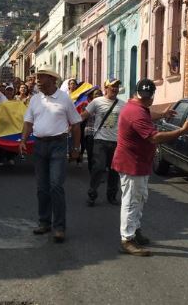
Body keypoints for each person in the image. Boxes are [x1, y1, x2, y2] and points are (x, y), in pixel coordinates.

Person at [113, 79, 188, 256]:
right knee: (131, 201)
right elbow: (154, 137)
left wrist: (163, 114)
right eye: (144, 97)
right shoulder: (135, 112)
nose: (147, 100)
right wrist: (181, 132)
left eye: (149, 97)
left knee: (139, 198)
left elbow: (148, 115)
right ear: (137, 94)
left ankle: (135, 230)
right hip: (131, 163)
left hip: (138, 162)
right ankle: (127, 239)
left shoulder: (137, 107)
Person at [19, 66, 82, 243]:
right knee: (41, 187)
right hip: (39, 145)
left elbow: (76, 124)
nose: (37, 80)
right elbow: (28, 122)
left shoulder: (64, 99)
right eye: (37, 77)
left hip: (58, 145)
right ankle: (44, 222)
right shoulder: (35, 99)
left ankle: (59, 227)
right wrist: (23, 140)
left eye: (42, 77)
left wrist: (76, 149)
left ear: (52, 80)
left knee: (56, 186)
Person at [81, 78, 125, 207]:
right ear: (106, 88)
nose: (115, 89)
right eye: (112, 86)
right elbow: (84, 115)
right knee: (98, 168)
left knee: (114, 171)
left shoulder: (123, 104)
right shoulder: (97, 101)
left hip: (116, 142)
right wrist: (69, 123)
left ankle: (111, 196)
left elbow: (136, 116)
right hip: (100, 141)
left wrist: (162, 114)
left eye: (117, 86)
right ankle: (92, 194)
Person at [81, 88, 103, 172]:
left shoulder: (105, 106)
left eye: (100, 93)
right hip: (90, 132)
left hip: (101, 133)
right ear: (92, 96)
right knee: (91, 153)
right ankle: (92, 170)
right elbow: (82, 118)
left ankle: (98, 171)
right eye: (96, 94)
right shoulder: (87, 106)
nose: (98, 95)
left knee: (100, 154)